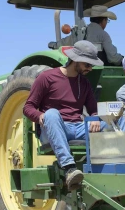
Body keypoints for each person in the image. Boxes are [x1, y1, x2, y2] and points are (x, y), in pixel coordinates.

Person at [24, 40, 106, 190]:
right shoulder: (46, 78)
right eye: (87, 64)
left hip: (78, 128)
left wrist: (94, 118)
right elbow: (28, 107)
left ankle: (120, 164)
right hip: (54, 128)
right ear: (75, 60)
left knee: (113, 122)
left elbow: (93, 110)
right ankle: (69, 168)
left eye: (92, 65)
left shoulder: (85, 83)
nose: (90, 68)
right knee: (52, 114)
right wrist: (40, 116)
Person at [59, 5, 124, 65]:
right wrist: (123, 59)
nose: (106, 23)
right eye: (107, 20)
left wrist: (52, 44)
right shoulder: (103, 35)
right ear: (103, 20)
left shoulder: (81, 31)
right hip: (98, 70)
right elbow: (113, 58)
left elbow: (63, 42)